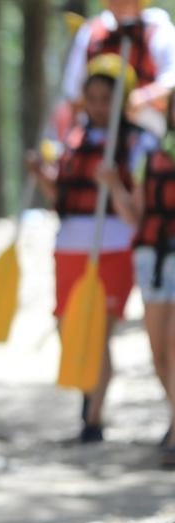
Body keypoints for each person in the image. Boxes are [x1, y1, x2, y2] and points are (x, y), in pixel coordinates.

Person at [28, 54, 150, 443]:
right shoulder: (72, 138)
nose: (98, 106)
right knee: (68, 323)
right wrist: (40, 176)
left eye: (106, 98)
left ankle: (93, 417)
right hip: (70, 244)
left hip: (113, 244)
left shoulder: (138, 142)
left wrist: (113, 185)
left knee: (98, 331)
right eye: (92, 97)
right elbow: (60, 197)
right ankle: (88, 390)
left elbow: (138, 210)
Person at [125, 93, 175, 466]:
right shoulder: (151, 155)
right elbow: (135, 215)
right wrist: (112, 185)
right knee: (158, 354)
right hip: (153, 260)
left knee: (174, 348)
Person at [56, 0, 175, 139]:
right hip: (95, 127)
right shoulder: (90, 32)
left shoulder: (158, 30)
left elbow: (171, 80)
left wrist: (140, 98)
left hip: (144, 123)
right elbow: (73, 94)